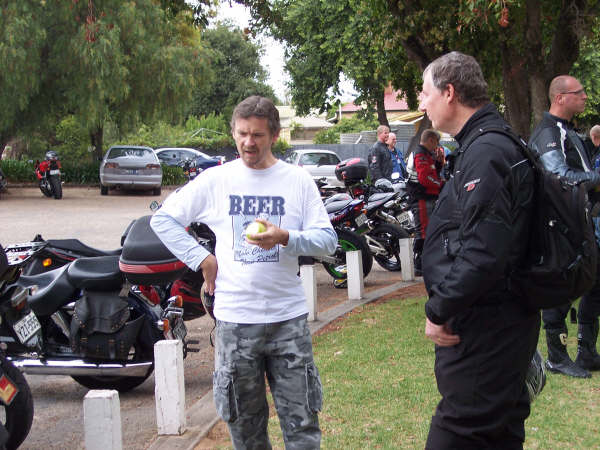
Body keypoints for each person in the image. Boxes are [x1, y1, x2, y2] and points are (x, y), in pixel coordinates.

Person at [150, 95, 337, 449]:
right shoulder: (216, 180)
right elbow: (163, 220)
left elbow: (327, 241)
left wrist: (285, 238)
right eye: (242, 134)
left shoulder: (297, 180)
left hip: (288, 321)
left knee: (303, 428)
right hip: (236, 323)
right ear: (234, 133)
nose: (248, 142)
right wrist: (203, 259)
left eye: (258, 135)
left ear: (275, 135)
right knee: (245, 431)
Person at [419, 51, 540, 448]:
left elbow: (485, 252)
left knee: (460, 431)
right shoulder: (485, 144)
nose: (421, 101)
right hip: (495, 324)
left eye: (425, 92)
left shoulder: (487, 152)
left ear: (449, 93)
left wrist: (438, 310)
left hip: (487, 330)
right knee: (499, 433)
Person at [529, 75, 600, 378]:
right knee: (560, 286)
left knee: (595, 282)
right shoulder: (548, 132)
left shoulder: (568, 131)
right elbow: (559, 177)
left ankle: (587, 351)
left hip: (580, 222)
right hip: (559, 226)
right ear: (560, 98)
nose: (585, 96)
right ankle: (557, 357)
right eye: (579, 92)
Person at [405, 129, 444, 276]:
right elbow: (425, 178)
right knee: (423, 231)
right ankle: (419, 263)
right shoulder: (420, 154)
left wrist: (438, 162)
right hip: (421, 197)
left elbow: (432, 172)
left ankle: (427, 261)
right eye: (436, 143)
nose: (437, 146)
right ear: (431, 140)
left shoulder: (426, 154)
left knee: (429, 230)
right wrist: (442, 184)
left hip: (427, 196)